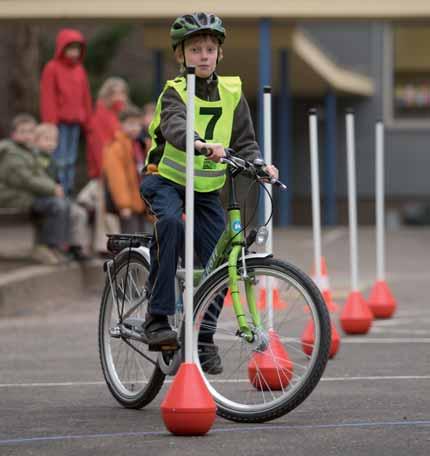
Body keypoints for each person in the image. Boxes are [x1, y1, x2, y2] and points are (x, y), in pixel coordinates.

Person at [138, 13, 279, 373]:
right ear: (180, 56)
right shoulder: (175, 92)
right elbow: (175, 126)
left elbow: (244, 141)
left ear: (219, 54)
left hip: (205, 188)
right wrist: (200, 144)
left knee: (220, 257)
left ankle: (203, 337)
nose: (203, 55)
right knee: (170, 225)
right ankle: (157, 317)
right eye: (195, 49)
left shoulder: (232, 93)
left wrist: (260, 164)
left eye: (210, 49)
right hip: (166, 179)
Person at [0, 114, 70, 265]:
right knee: (55, 205)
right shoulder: (11, 152)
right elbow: (24, 180)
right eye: (23, 131)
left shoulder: (28, 152)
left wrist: (54, 188)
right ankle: (42, 247)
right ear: (14, 134)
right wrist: (52, 189)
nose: (27, 135)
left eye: (31, 131)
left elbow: (39, 176)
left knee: (63, 204)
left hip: (25, 193)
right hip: (10, 195)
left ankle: (54, 246)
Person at [40, 28, 92, 196]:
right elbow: (48, 96)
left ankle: (68, 191)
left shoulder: (80, 70)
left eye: (77, 49)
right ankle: (59, 191)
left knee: (71, 160)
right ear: (62, 48)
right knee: (59, 159)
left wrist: (88, 121)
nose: (74, 53)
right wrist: (50, 123)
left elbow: (85, 97)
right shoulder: (52, 68)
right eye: (71, 48)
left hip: (75, 121)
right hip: (59, 122)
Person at [83, 77, 129, 254]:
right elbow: (99, 145)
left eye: (122, 93)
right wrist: (103, 169)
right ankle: (103, 245)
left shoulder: (120, 115)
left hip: (118, 168)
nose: (119, 97)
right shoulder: (101, 116)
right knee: (105, 209)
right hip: (105, 169)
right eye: (115, 93)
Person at [33, 123, 90, 261]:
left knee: (79, 212)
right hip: (41, 197)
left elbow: (58, 182)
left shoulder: (53, 161)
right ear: (36, 141)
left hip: (54, 196)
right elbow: (36, 181)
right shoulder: (35, 159)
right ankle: (56, 245)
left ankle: (75, 246)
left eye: (54, 140)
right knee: (62, 207)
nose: (51, 143)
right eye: (46, 139)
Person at [102, 107, 150, 233]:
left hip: (143, 204)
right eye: (130, 124)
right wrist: (124, 205)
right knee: (131, 240)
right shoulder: (116, 147)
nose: (135, 128)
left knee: (144, 240)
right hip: (129, 205)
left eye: (137, 124)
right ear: (121, 124)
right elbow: (117, 178)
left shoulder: (141, 144)